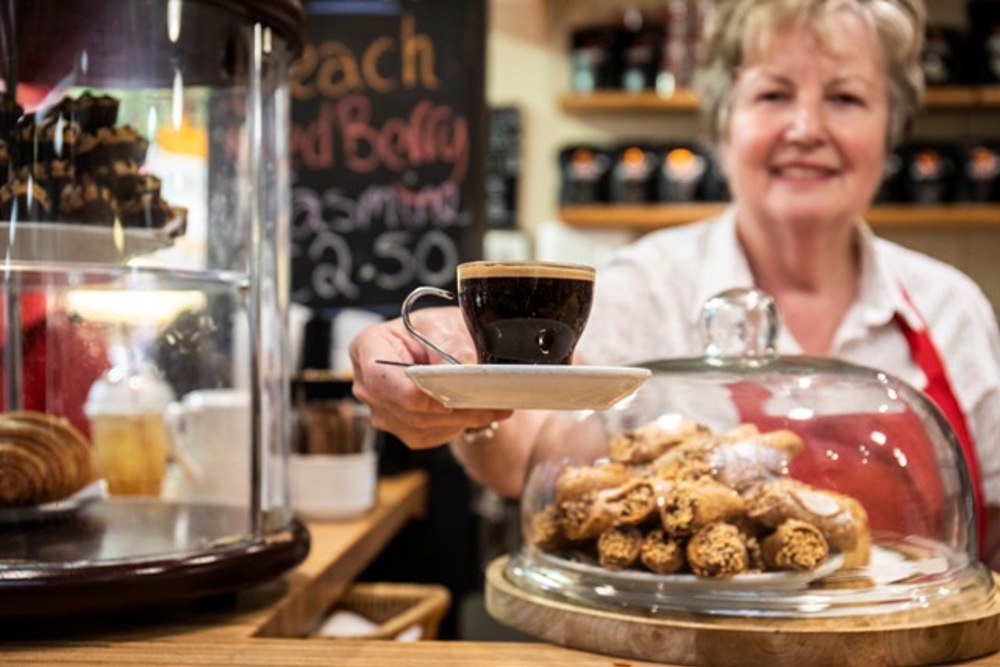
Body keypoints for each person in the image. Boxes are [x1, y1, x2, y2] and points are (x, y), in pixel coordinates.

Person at [349, 0, 1000, 570]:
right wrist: (457, 385)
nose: (806, 128)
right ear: (722, 121)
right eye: (773, 94)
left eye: (847, 97)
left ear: (893, 126)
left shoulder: (951, 308)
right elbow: (523, 456)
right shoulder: (643, 288)